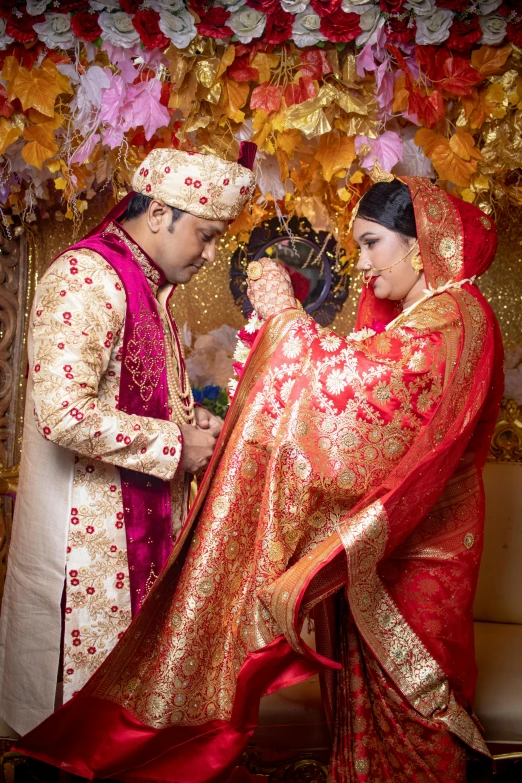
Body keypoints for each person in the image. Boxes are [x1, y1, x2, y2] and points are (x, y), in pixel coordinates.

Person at [17, 173, 503, 783]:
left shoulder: (454, 316)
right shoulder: (95, 277)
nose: (362, 263)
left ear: (420, 240)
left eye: (372, 242)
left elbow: (355, 400)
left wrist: (284, 319)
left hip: (411, 569)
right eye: (358, 245)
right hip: (379, 563)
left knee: (412, 729)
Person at [0, 144, 257, 738]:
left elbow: (141, 396)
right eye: (207, 234)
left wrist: (195, 431)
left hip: (138, 536)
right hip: (89, 546)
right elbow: (62, 412)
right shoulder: (88, 276)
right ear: (161, 213)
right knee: (81, 733)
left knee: (130, 732)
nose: (212, 253)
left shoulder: (147, 286)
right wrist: (175, 446)